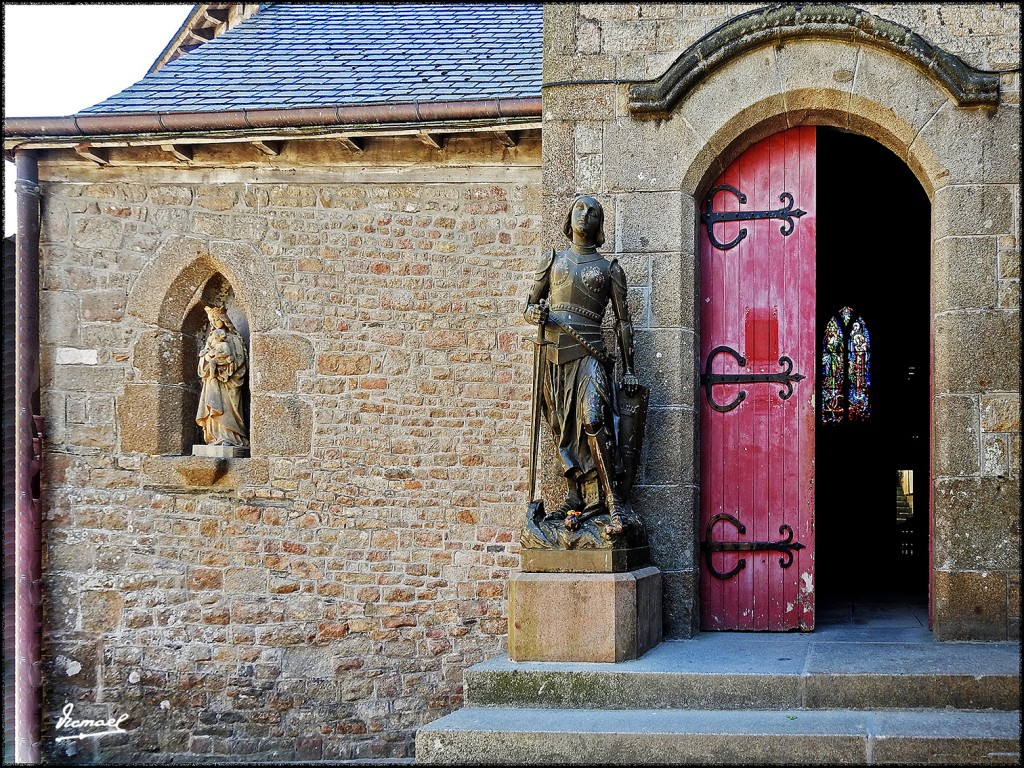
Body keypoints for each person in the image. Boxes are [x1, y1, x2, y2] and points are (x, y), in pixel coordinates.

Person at [524, 194, 639, 534]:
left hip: (590, 354)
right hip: (554, 355)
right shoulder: (552, 260)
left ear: (599, 223)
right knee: (562, 427)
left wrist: (629, 369)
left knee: (592, 418)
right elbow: (530, 305)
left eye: (592, 211)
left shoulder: (609, 269)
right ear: (569, 215)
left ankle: (614, 501)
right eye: (579, 208)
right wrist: (535, 313)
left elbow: (623, 322)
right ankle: (576, 497)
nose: (584, 215)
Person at [196, 305, 249, 447]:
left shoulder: (233, 338)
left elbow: (240, 359)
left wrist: (225, 366)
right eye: (211, 319)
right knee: (213, 406)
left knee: (228, 408)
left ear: (223, 319)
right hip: (212, 381)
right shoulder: (211, 339)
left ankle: (231, 437)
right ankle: (214, 437)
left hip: (227, 381)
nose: (213, 322)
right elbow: (203, 358)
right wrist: (207, 359)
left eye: (215, 319)